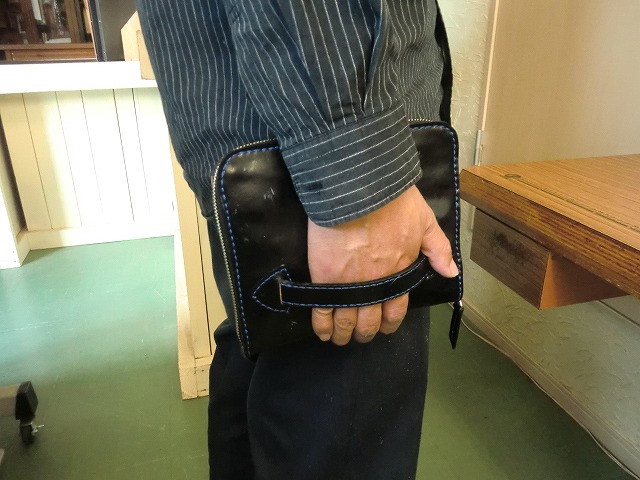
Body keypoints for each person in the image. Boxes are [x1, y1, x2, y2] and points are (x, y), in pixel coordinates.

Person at [136, 1, 458, 478]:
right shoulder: (348, 165)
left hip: (285, 137)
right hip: (336, 159)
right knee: (340, 437)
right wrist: (357, 173)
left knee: (265, 370)